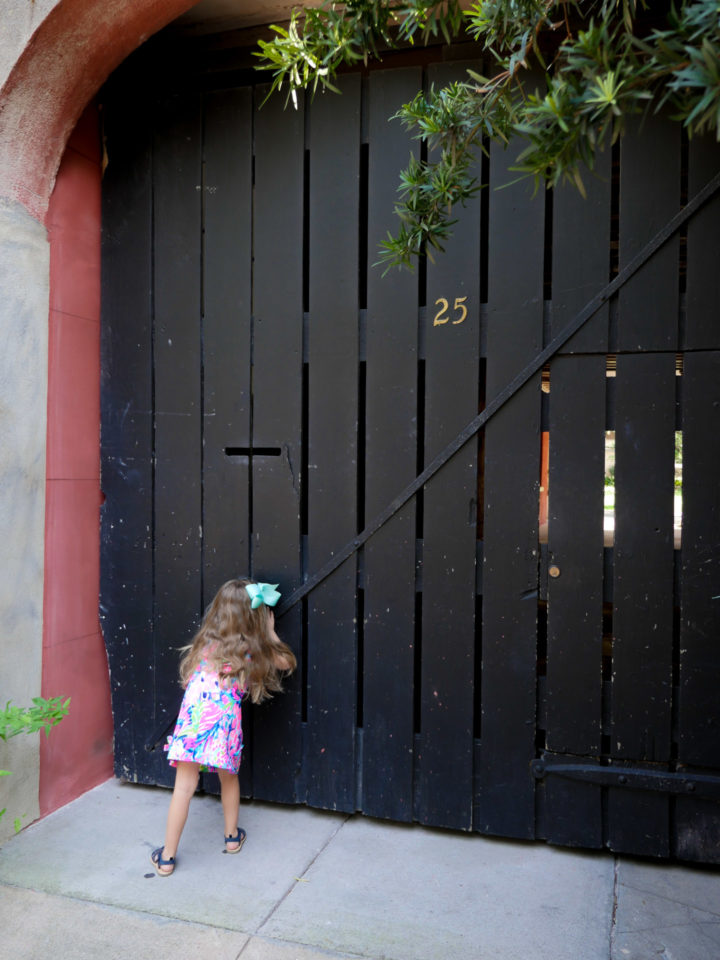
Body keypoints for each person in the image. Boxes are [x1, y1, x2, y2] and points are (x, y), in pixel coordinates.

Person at [150, 578, 296, 876]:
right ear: (254, 615)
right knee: (229, 779)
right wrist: (269, 632)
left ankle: (166, 857)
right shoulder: (250, 651)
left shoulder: (206, 644)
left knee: (184, 788)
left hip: (193, 725)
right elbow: (285, 663)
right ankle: (232, 838)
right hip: (223, 731)